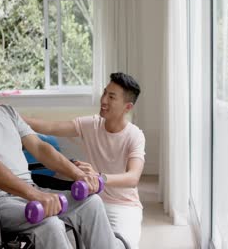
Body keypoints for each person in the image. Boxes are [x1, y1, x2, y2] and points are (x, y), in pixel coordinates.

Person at [0, 49, 127, 249]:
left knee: (91, 203)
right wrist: (35, 196)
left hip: (28, 192)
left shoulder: (6, 112)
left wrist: (79, 175)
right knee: (49, 222)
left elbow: (41, 148)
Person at [23, 72, 145, 249]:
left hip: (123, 206)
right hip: (91, 202)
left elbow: (133, 178)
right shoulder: (92, 124)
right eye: (104, 93)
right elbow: (49, 127)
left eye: (111, 97)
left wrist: (99, 178)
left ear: (128, 107)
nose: (103, 100)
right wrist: (11, 115)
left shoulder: (134, 135)